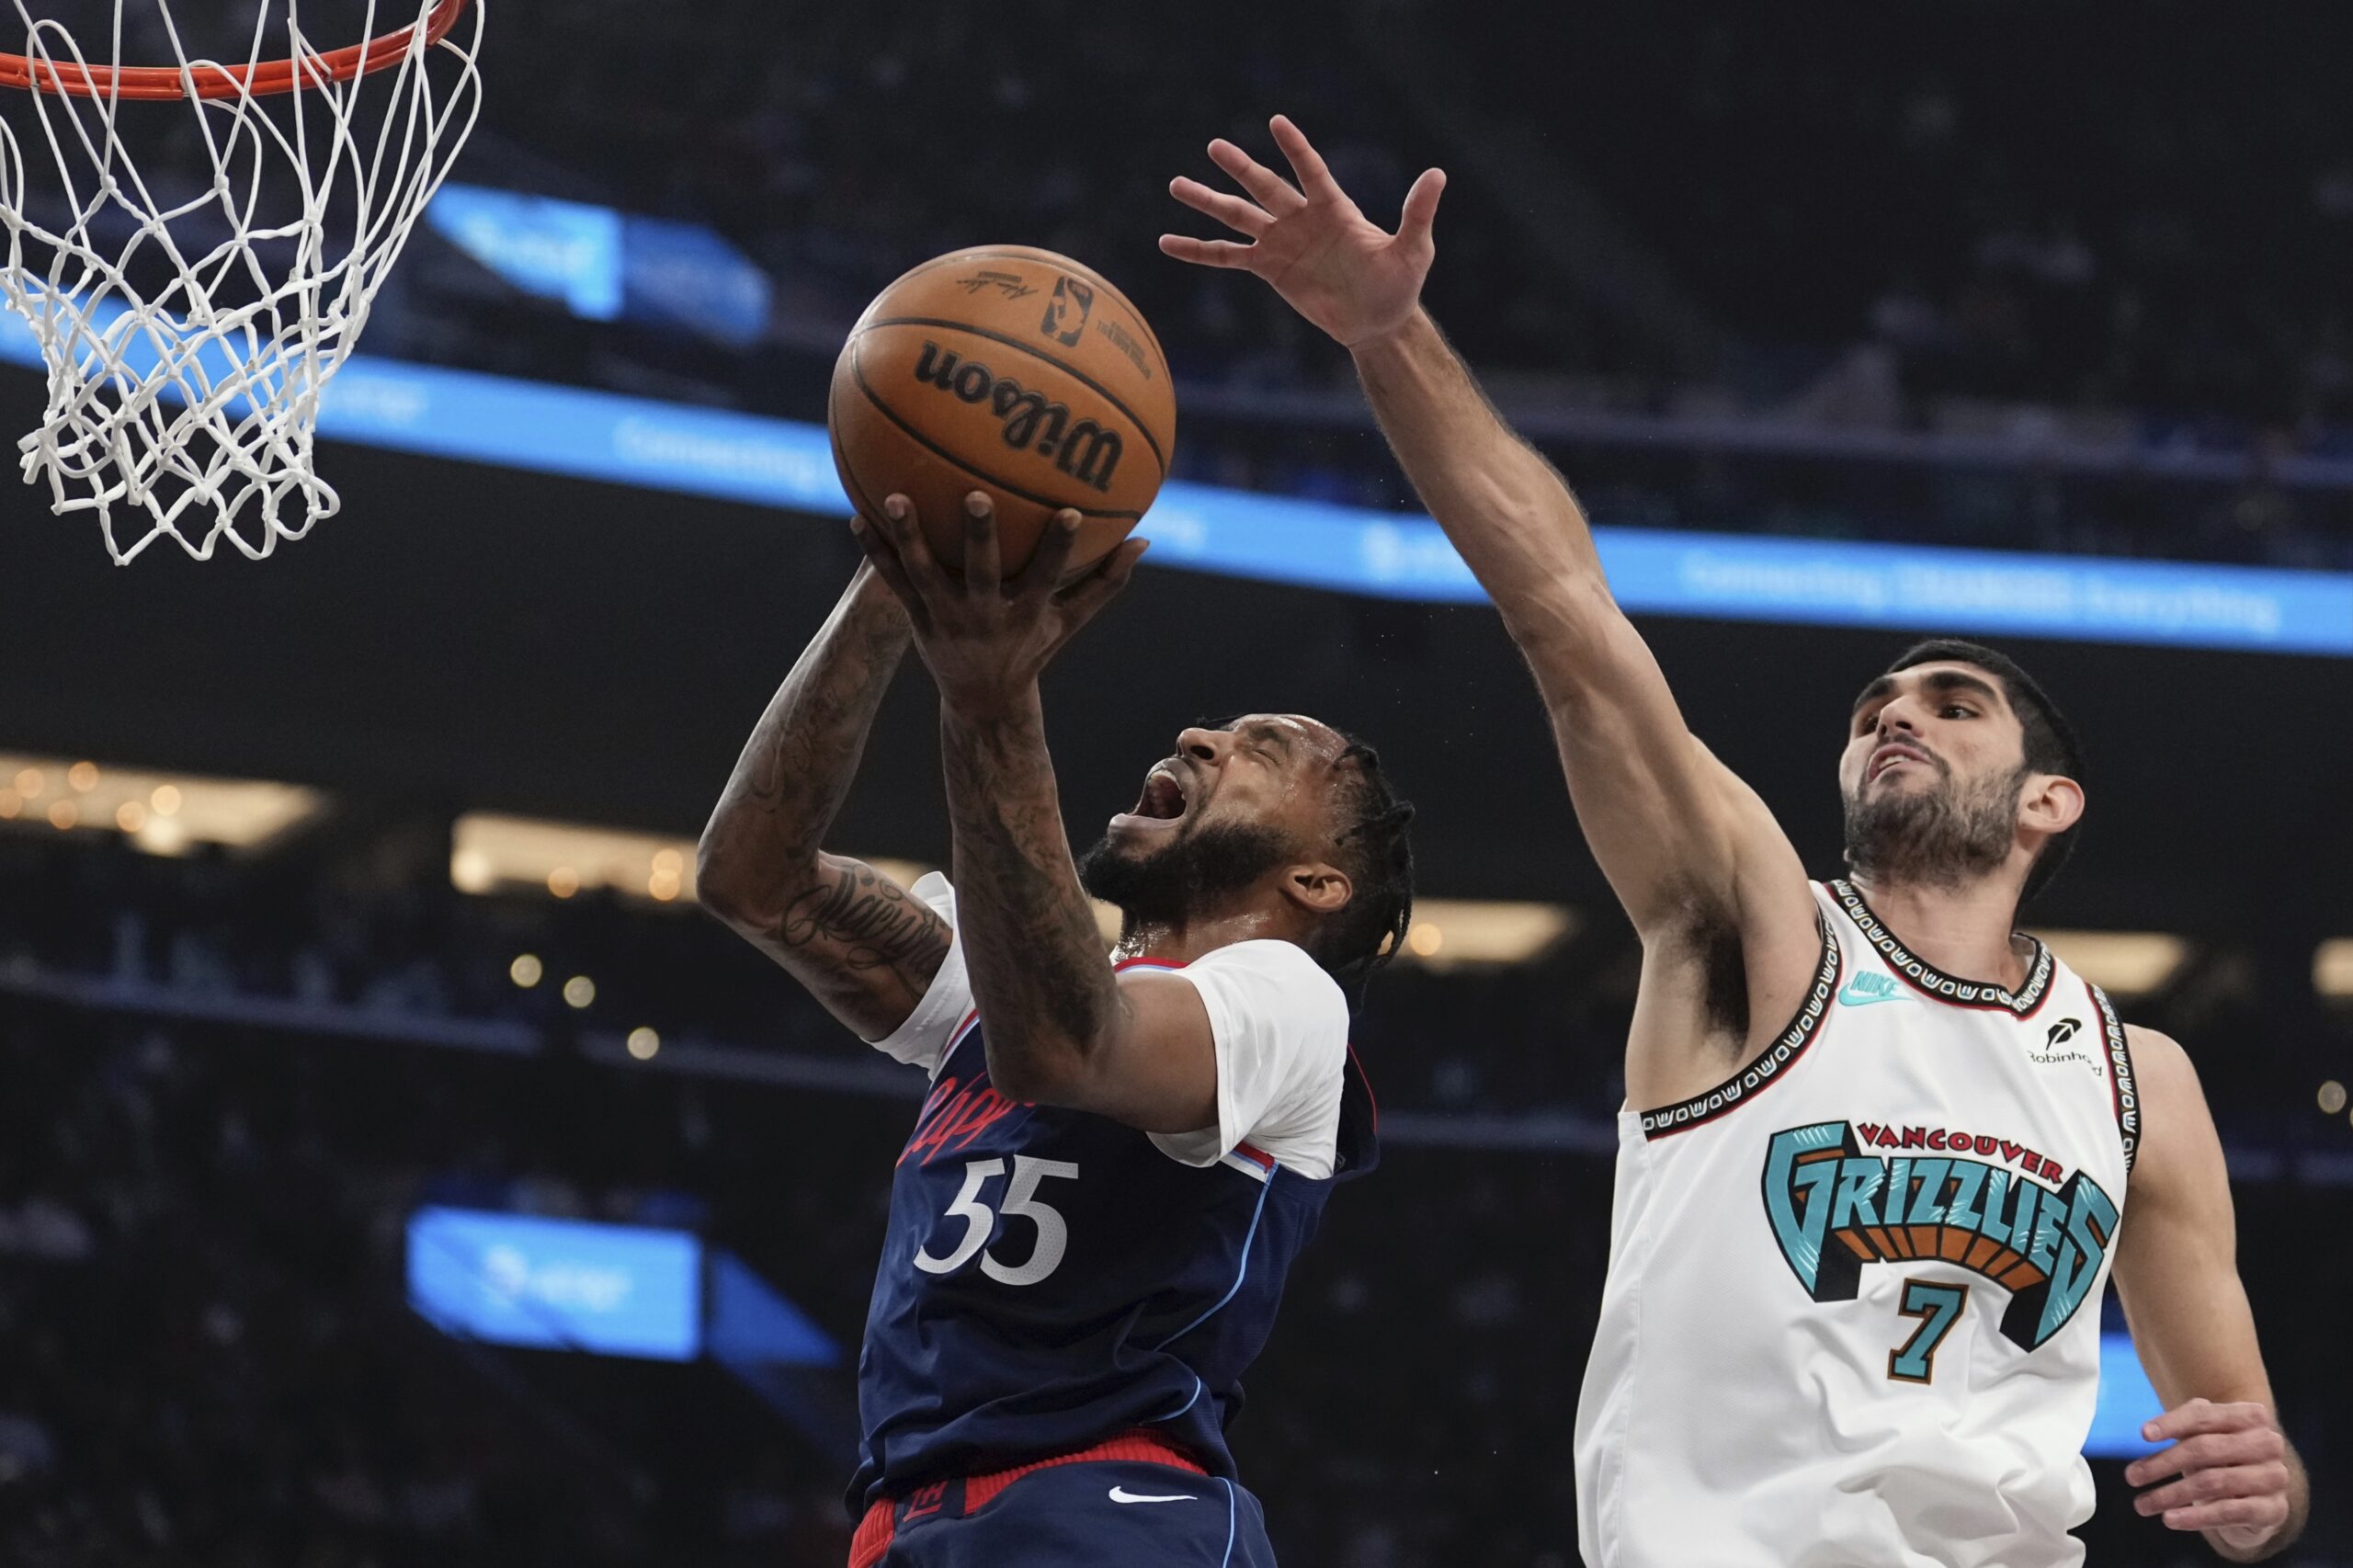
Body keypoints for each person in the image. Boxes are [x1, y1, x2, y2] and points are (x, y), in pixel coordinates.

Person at [1164, 116, 2308, 1566]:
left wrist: (2270, 1490)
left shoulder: (2147, 1081)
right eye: (1872, 706)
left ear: (2048, 801)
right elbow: (1569, 618)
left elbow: (2238, 1448)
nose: (1896, 719)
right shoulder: (1762, 928)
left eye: (1952, 707)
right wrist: (1389, 337)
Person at [696, 493, 1415, 1568]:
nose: (1198, 736)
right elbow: (756, 879)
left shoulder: (1288, 998)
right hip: (912, 1520)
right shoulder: (1013, 978)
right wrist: (900, 581)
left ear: (1315, 879)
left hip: (1110, 1508)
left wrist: (991, 695)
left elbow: (1069, 1046)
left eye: (1260, 748)